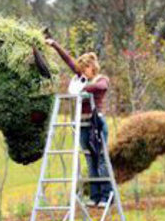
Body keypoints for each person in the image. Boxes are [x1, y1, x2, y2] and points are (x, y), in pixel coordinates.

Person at [45, 37, 114, 207]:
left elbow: (100, 88)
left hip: (96, 124)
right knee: (90, 160)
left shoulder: (100, 79)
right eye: (81, 70)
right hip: (82, 125)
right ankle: (95, 196)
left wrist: (82, 88)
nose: (82, 73)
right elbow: (68, 60)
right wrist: (54, 44)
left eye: (85, 69)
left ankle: (107, 195)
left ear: (92, 68)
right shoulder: (81, 78)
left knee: (102, 159)